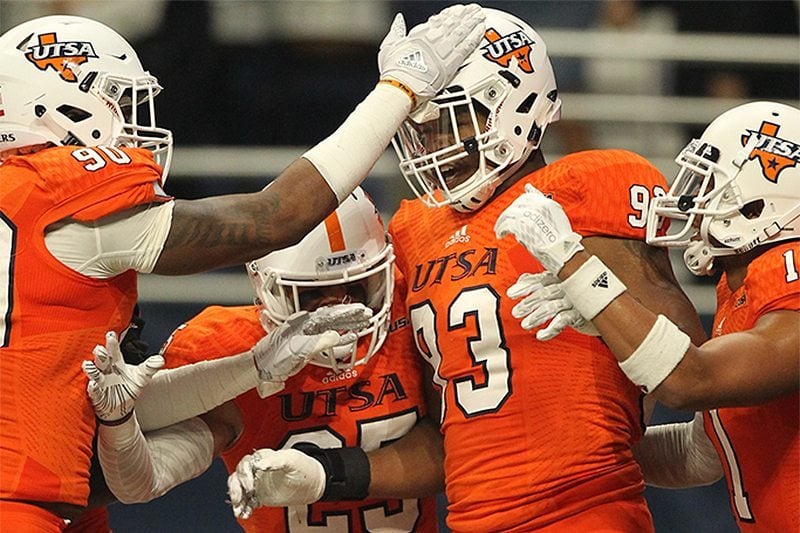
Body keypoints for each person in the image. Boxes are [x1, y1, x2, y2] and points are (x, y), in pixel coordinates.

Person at [0, 7, 486, 531]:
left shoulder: (24, 204)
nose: (131, 123)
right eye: (116, 100)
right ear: (57, 107)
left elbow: (84, 410)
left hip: (55, 493)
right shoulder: (59, 196)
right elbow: (275, 218)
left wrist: (252, 368)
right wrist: (399, 90)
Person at [225, 6, 708, 531]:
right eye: (423, 129)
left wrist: (599, 296)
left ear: (512, 106)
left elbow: (690, 368)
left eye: (451, 121)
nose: (434, 145)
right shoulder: (414, 229)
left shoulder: (589, 186)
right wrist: (327, 474)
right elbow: (449, 436)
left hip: (587, 511)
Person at [494, 100, 799, 532]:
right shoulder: (739, 288)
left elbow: (691, 379)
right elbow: (702, 452)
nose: (690, 202)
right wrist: (568, 454)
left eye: (710, 185)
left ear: (760, 202)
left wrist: (575, 264)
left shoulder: (790, 269)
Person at [76, 188, 439, 532]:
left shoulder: (414, 310)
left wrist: (325, 475)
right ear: (266, 290)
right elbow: (137, 482)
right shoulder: (225, 344)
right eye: (310, 294)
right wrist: (120, 421)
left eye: (359, 285)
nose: (339, 306)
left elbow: (455, 449)